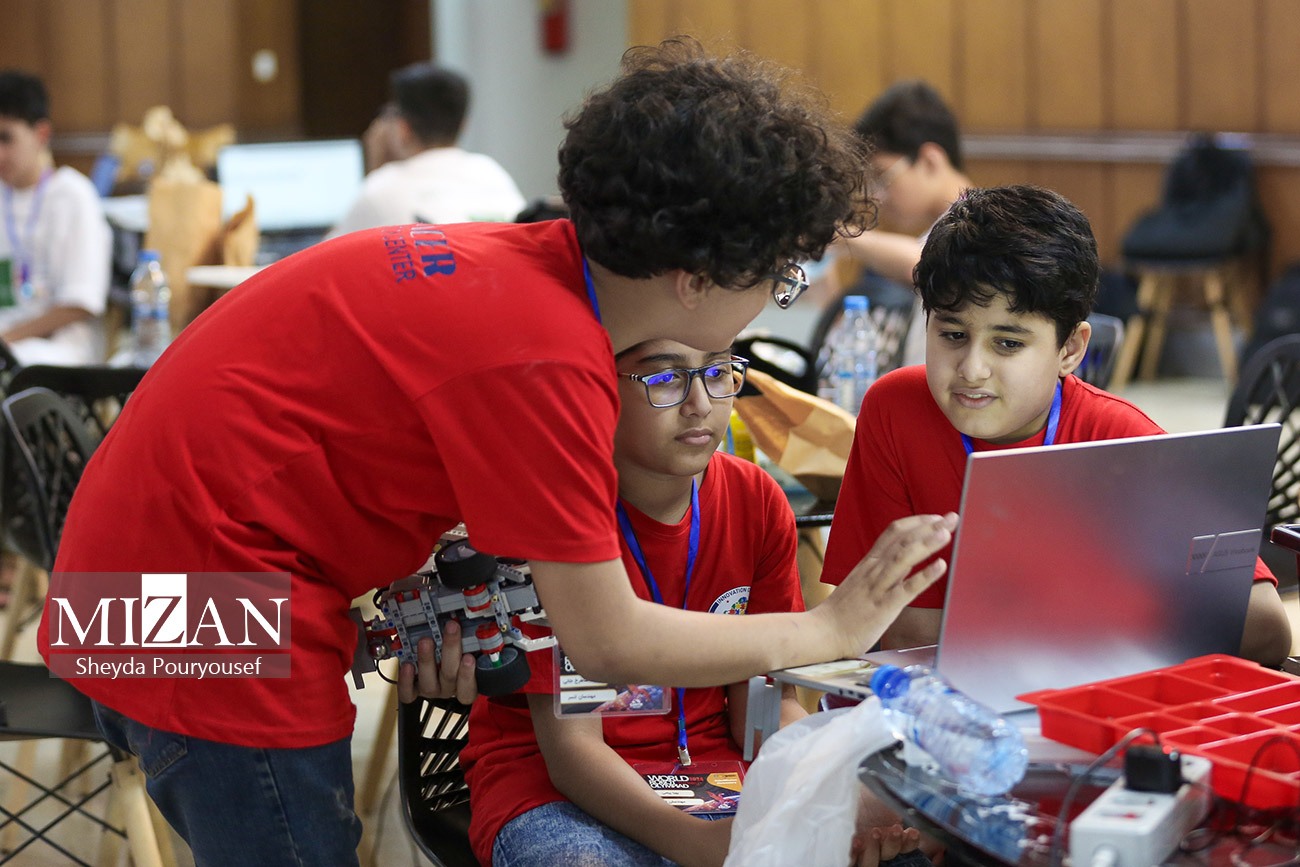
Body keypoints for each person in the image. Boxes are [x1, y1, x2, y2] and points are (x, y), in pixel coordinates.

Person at [41, 40, 958, 866]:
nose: (772, 299)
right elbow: (608, 637)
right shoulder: (547, 359)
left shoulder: (532, 268)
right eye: (779, 276)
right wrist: (830, 629)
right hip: (188, 595)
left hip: (120, 583)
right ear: (695, 278)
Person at [462, 338, 931, 867]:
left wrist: (837, 794)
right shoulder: (554, 512)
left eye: (718, 373)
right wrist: (701, 847)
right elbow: (573, 754)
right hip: (559, 792)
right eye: (665, 379)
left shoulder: (756, 501)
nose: (700, 404)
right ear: (595, 389)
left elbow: (762, 711)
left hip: (717, 778)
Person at [820, 185, 1292, 666]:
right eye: (953, 334)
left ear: (1071, 349)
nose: (972, 369)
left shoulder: (1123, 442)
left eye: (1008, 344)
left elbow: (1266, 629)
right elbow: (907, 634)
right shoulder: (895, 411)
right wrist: (1085, 617)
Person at [832, 80, 971, 367]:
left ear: (930, 161)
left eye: (883, 175)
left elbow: (928, 264)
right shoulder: (939, 231)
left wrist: (841, 235)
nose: (878, 195)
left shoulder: (982, 226)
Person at [328, 62, 526, 237]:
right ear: (464, 125)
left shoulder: (381, 187)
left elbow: (323, 256)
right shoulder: (491, 171)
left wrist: (375, 169)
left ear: (403, 128)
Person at [0, 69, 109, 365]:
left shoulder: (73, 196)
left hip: (62, 349)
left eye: (6, 138)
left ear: (41, 134)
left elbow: (80, 303)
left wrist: (7, 339)